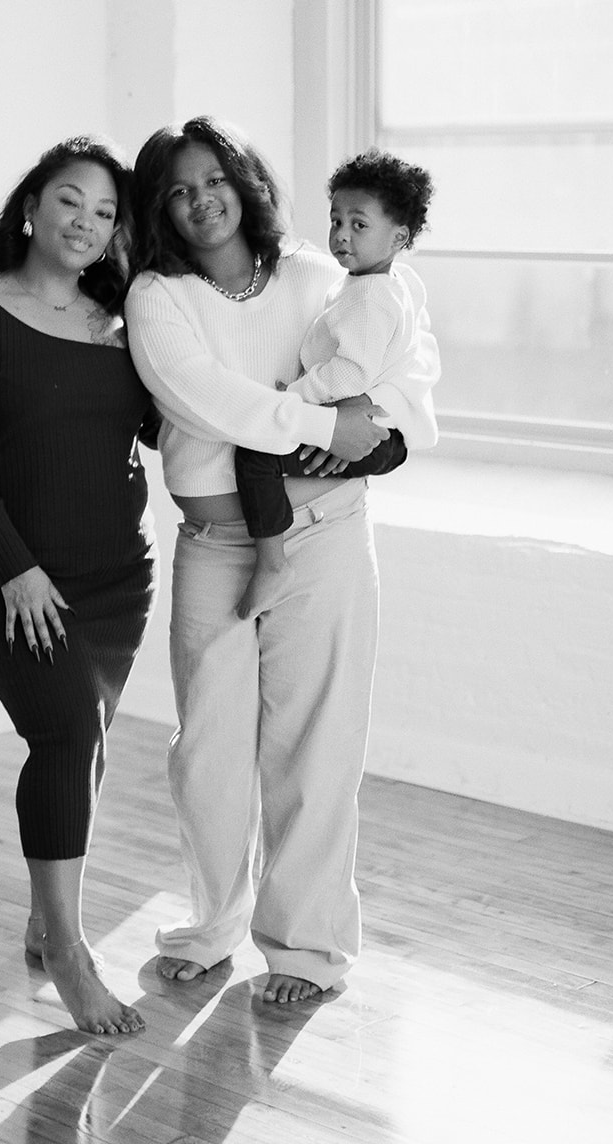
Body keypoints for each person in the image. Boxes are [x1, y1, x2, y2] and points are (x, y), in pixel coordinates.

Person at [124, 116, 406, 1006]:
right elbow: (215, 406)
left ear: (243, 181)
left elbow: (396, 350)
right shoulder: (157, 298)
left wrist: (378, 431)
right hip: (216, 545)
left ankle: (307, 951)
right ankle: (212, 926)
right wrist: (329, 424)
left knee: (315, 745)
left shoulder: (317, 277)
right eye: (176, 188)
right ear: (160, 207)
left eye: (212, 178)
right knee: (206, 748)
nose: (199, 198)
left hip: (324, 534)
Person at [0, 135, 157, 1036]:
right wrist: (17, 565)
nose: (87, 224)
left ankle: (43, 915)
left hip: (116, 579)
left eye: (106, 213)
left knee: (87, 740)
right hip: (11, 574)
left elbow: (168, 431)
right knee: (64, 734)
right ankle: (69, 950)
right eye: (72, 201)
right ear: (31, 205)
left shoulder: (124, 320)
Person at [234, 149, 439, 618]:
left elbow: (352, 373)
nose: (341, 234)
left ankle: (271, 563)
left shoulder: (372, 297)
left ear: (398, 237)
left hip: (372, 437)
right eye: (336, 220)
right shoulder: (383, 283)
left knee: (254, 453)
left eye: (359, 224)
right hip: (376, 432)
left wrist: (293, 398)